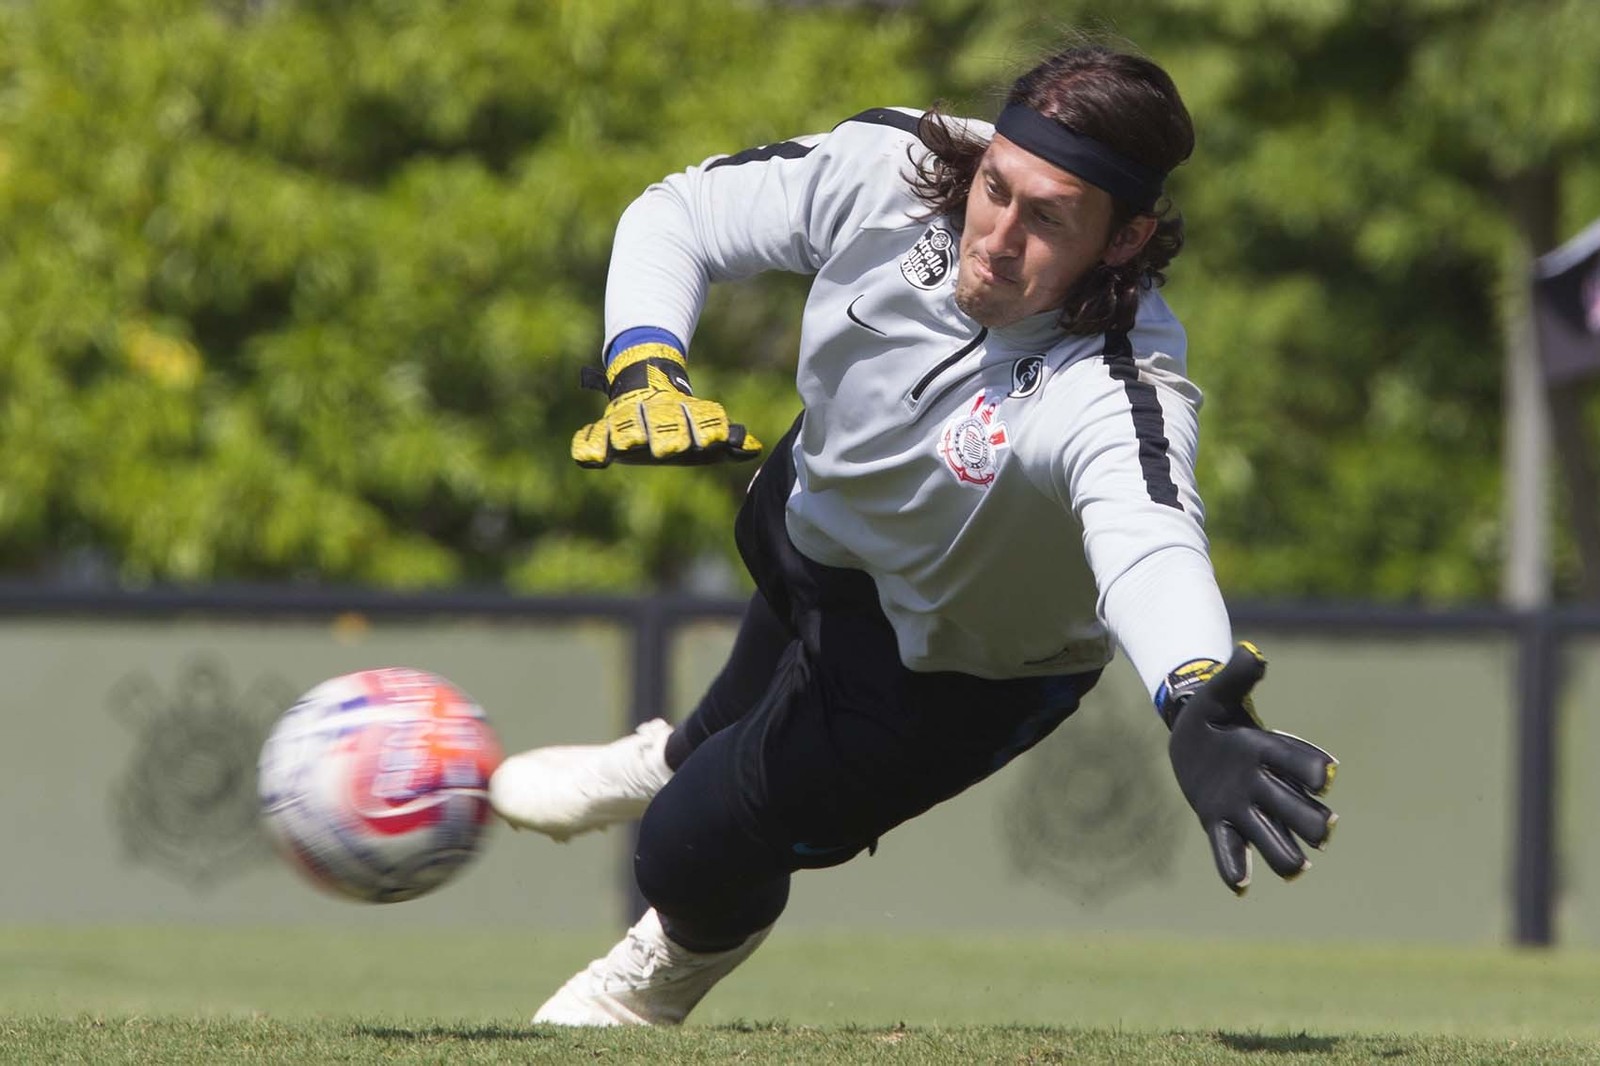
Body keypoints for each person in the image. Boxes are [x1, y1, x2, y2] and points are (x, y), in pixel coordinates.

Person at [489, 42, 1339, 1027]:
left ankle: (659, 967)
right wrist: (644, 364)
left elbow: (1148, 536)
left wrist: (1195, 696)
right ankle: (676, 752)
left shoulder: (1115, 385)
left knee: (682, 846)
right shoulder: (892, 170)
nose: (997, 237)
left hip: (945, 674)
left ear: (1124, 236)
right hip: (811, 533)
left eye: (1048, 218)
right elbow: (675, 213)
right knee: (733, 705)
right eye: (995, 189)